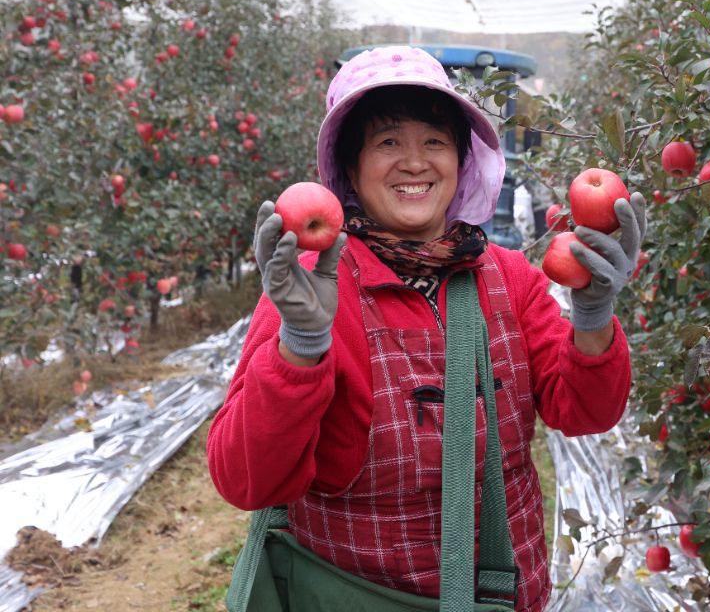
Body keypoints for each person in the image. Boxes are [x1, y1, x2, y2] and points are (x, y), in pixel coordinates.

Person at [207, 45, 645, 611]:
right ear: (352, 167)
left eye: (434, 142)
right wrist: (299, 348)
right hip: (358, 595)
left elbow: (586, 413)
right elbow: (246, 481)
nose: (414, 162)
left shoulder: (510, 281)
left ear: (460, 162)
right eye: (388, 142)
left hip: (503, 595)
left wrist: (592, 316)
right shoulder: (313, 291)